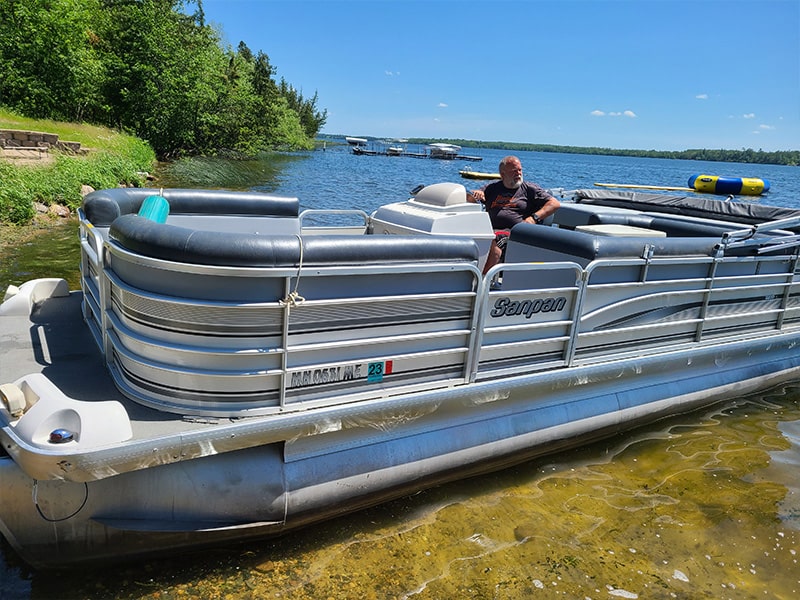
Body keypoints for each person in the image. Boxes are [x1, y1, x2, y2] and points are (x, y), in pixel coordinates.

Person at [467, 155, 560, 274]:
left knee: (494, 239)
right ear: (503, 174)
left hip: (513, 231)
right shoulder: (492, 187)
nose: (518, 173)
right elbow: (472, 201)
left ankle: (482, 280)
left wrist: (533, 218)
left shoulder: (529, 189)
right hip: (489, 229)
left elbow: (554, 203)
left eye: (520, 170)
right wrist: (477, 194)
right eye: (514, 171)